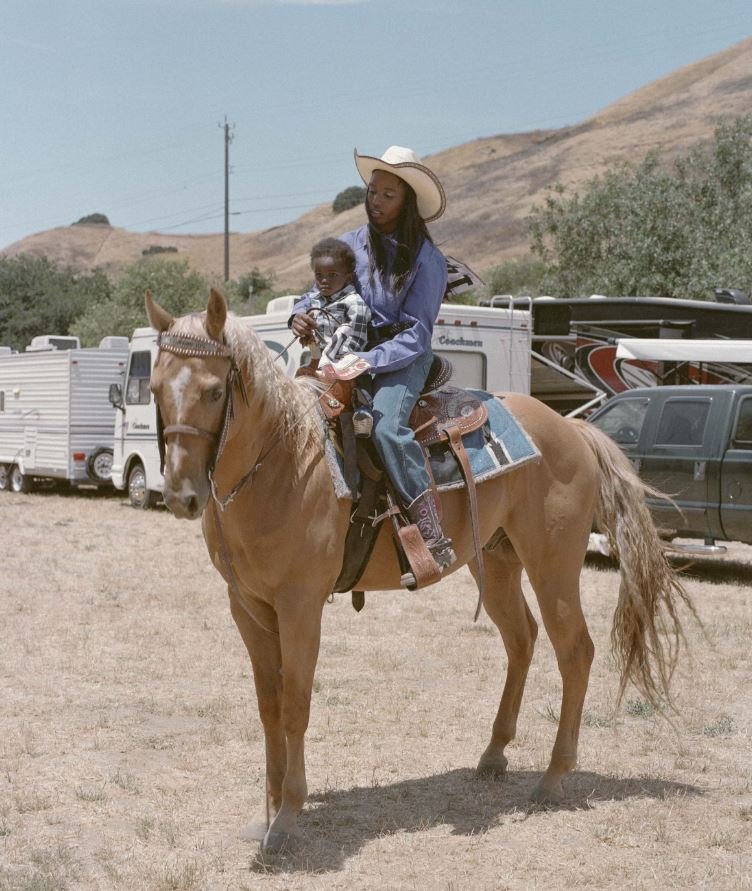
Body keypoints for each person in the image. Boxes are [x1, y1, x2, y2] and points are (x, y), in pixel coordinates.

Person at [290, 145, 454, 576]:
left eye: (388, 195)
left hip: (401, 357)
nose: (376, 201)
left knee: (386, 428)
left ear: (407, 203)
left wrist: (366, 362)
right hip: (342, 349)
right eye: (373, 191)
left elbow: (418, 332)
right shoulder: (347, 245)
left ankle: (431, 531)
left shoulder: (427, 261)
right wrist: (300, 312)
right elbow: (317, 289)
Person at [302, 237, 371, 375]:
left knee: (362, 395)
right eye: (319, 275)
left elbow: (356, 341)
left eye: (332, 275)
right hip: (318, 364)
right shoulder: (314, 301)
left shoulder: (354, 304)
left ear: (349, 277)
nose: (324, 280)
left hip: (346, 368)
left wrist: (336, 366)